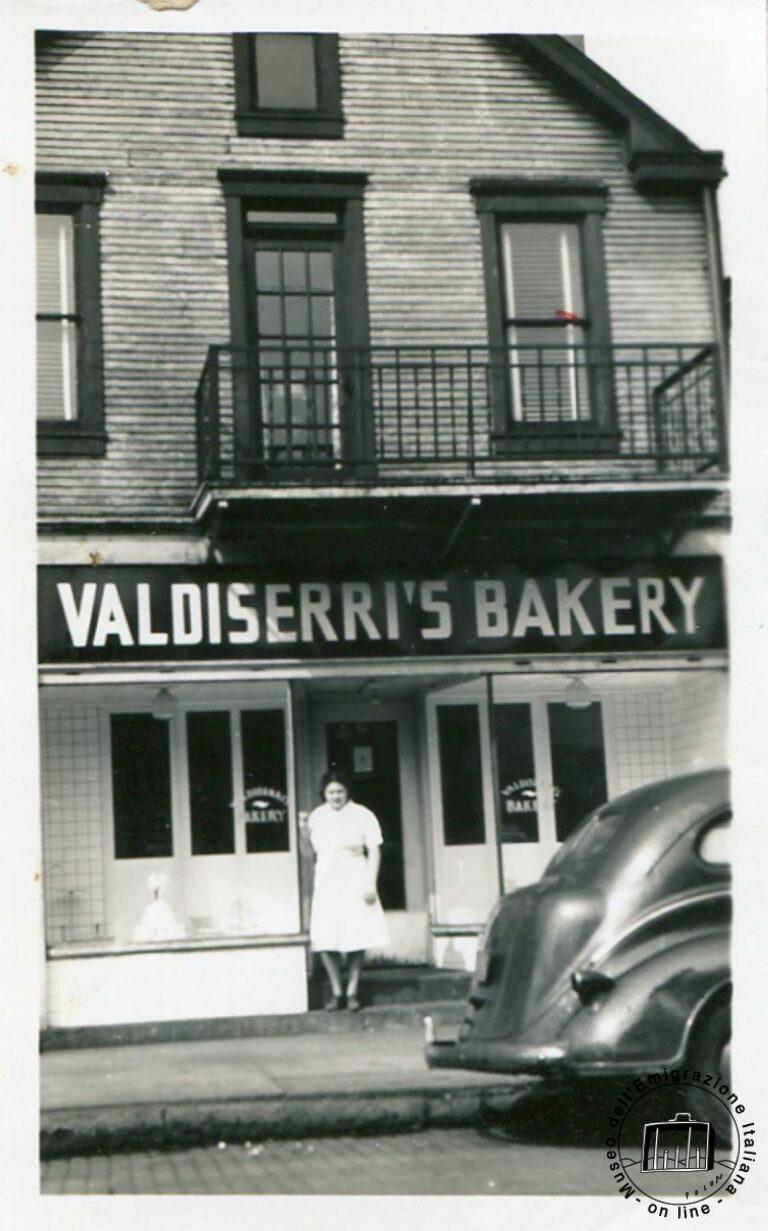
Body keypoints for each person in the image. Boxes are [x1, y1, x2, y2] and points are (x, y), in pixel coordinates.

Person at [299, 770, 390, 1011]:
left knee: (356, 936)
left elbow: (375, 850)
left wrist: (371, 883)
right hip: (327, 881)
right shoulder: (317, 816)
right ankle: (337, 990)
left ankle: (352, 992)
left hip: (355, 878)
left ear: (347, 791)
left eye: (339, 791)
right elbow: (308, 854)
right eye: (331, 792)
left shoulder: (362, 815)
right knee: (325, 937)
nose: (336, 796)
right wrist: (302, 833)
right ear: (324, 794)